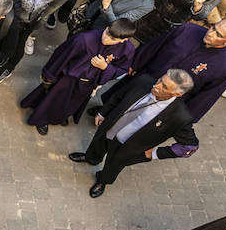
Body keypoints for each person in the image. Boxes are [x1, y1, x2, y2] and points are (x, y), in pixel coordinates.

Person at [68, 69, 198, 199]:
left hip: (128, 146)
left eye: (164, 86)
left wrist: (155, 153)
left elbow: (190, 146)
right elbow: (119, 96)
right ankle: (91, 158)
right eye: (160, 80)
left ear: (177, 94)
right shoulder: (144, 81)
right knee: (98, 144)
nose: (156, 85)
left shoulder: (181, 117)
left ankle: (102, 181)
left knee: (113, 166)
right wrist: (103, 113)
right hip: (111, 127)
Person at [105, 19, 226, 123]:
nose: (210, 33)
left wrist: (182, 120)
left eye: (218, 35)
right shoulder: (187, 29)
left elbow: (206, 98)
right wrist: (136, 63)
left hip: (164, 99)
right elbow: (157, 45)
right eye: (213, 28)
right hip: (146, 75)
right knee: (118, 97)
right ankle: (104, 112)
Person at [21, 19, 137, 135]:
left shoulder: (128, 50)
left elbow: (122, 69)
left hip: (89, 83)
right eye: (107, 32)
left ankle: (59, 116)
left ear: (124, 40)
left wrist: (105, 67)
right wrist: (49, 75)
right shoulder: (83, 39)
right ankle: (42, 120)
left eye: (113, 39)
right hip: (68, 79)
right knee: (53, 100)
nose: (106, 39)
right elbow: (61, 56)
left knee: (71, 104)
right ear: (107, 27)